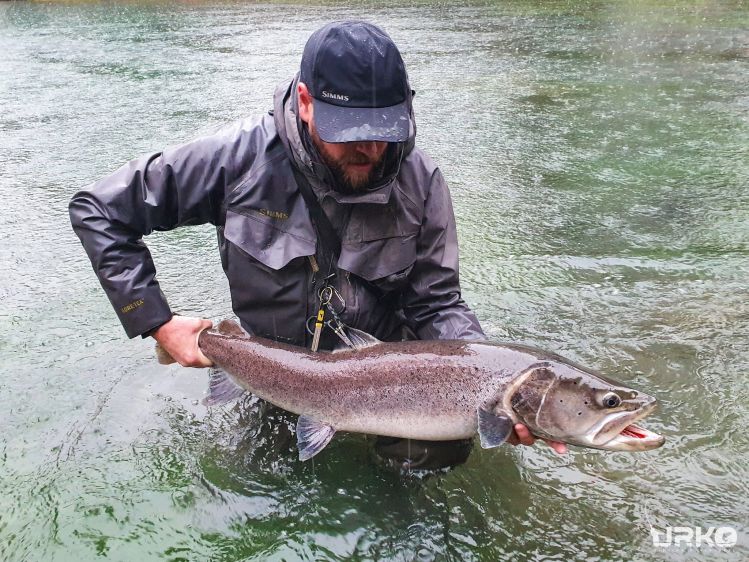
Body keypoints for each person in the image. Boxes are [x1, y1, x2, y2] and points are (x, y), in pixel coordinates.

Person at [70, 20, 565, 469]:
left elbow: (437, 303)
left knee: (439, 452)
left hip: (386, 382)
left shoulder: (422, 183)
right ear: (306, 103)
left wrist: (492, 390)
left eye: (384, 132)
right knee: (247, 487)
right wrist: (156, 321)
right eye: (349, 133)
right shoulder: (237, 160)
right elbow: (99, 209)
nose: (370, 150)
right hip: (272, 368)